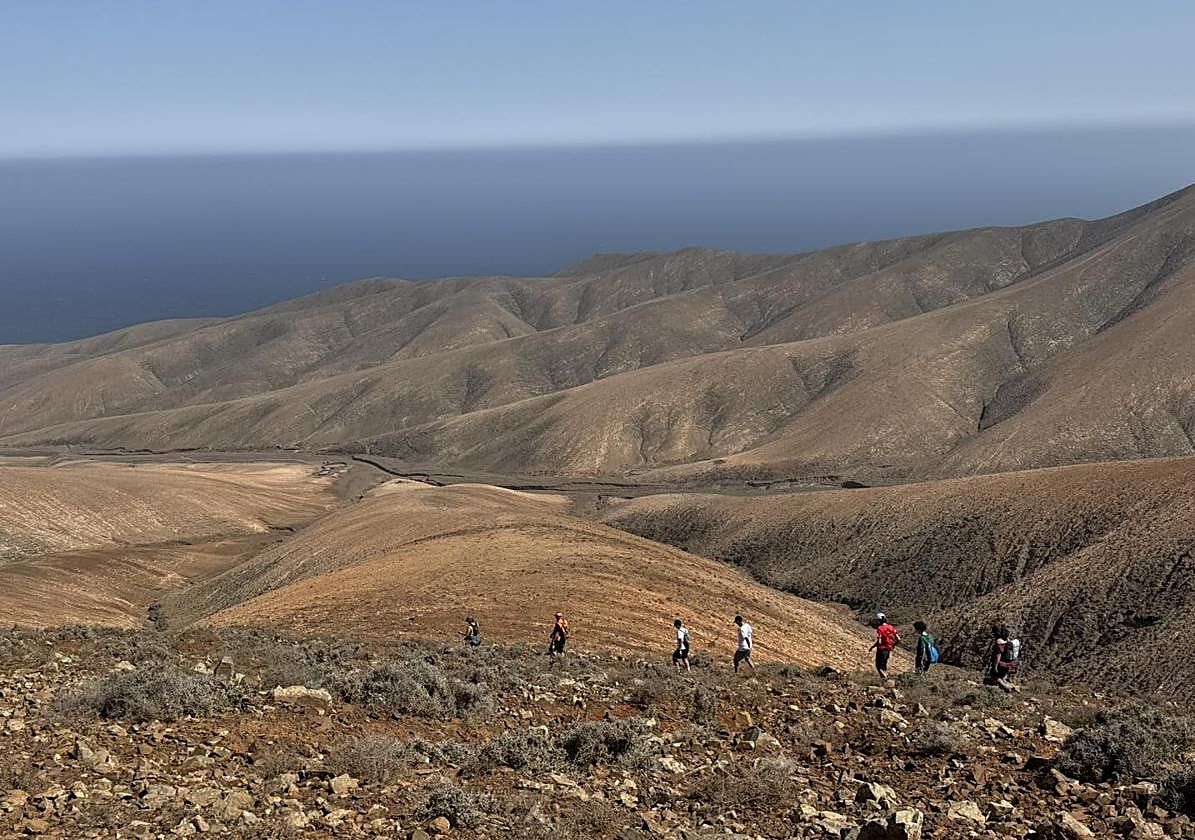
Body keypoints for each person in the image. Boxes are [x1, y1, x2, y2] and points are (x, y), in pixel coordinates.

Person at [987, 625, 1021, 692]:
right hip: (1009, 663)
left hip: (1002, 663)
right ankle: (1012, 687)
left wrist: (995, 666)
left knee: (994, 676)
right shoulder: (1007, 640)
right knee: (1003, 677)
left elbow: (998, 655)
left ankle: (1007, 688)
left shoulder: (999, 642)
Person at [868, 612, 899, 681]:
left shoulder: (880, 629)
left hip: (881, 649)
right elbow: (898, 639)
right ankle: (884, 682)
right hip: (888, 649)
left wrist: (873, 647)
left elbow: (879, 641)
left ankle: (886, 680)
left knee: (878, 667)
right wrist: (893, 645)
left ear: (879, 621)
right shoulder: (891, 627)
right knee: (884, 666)